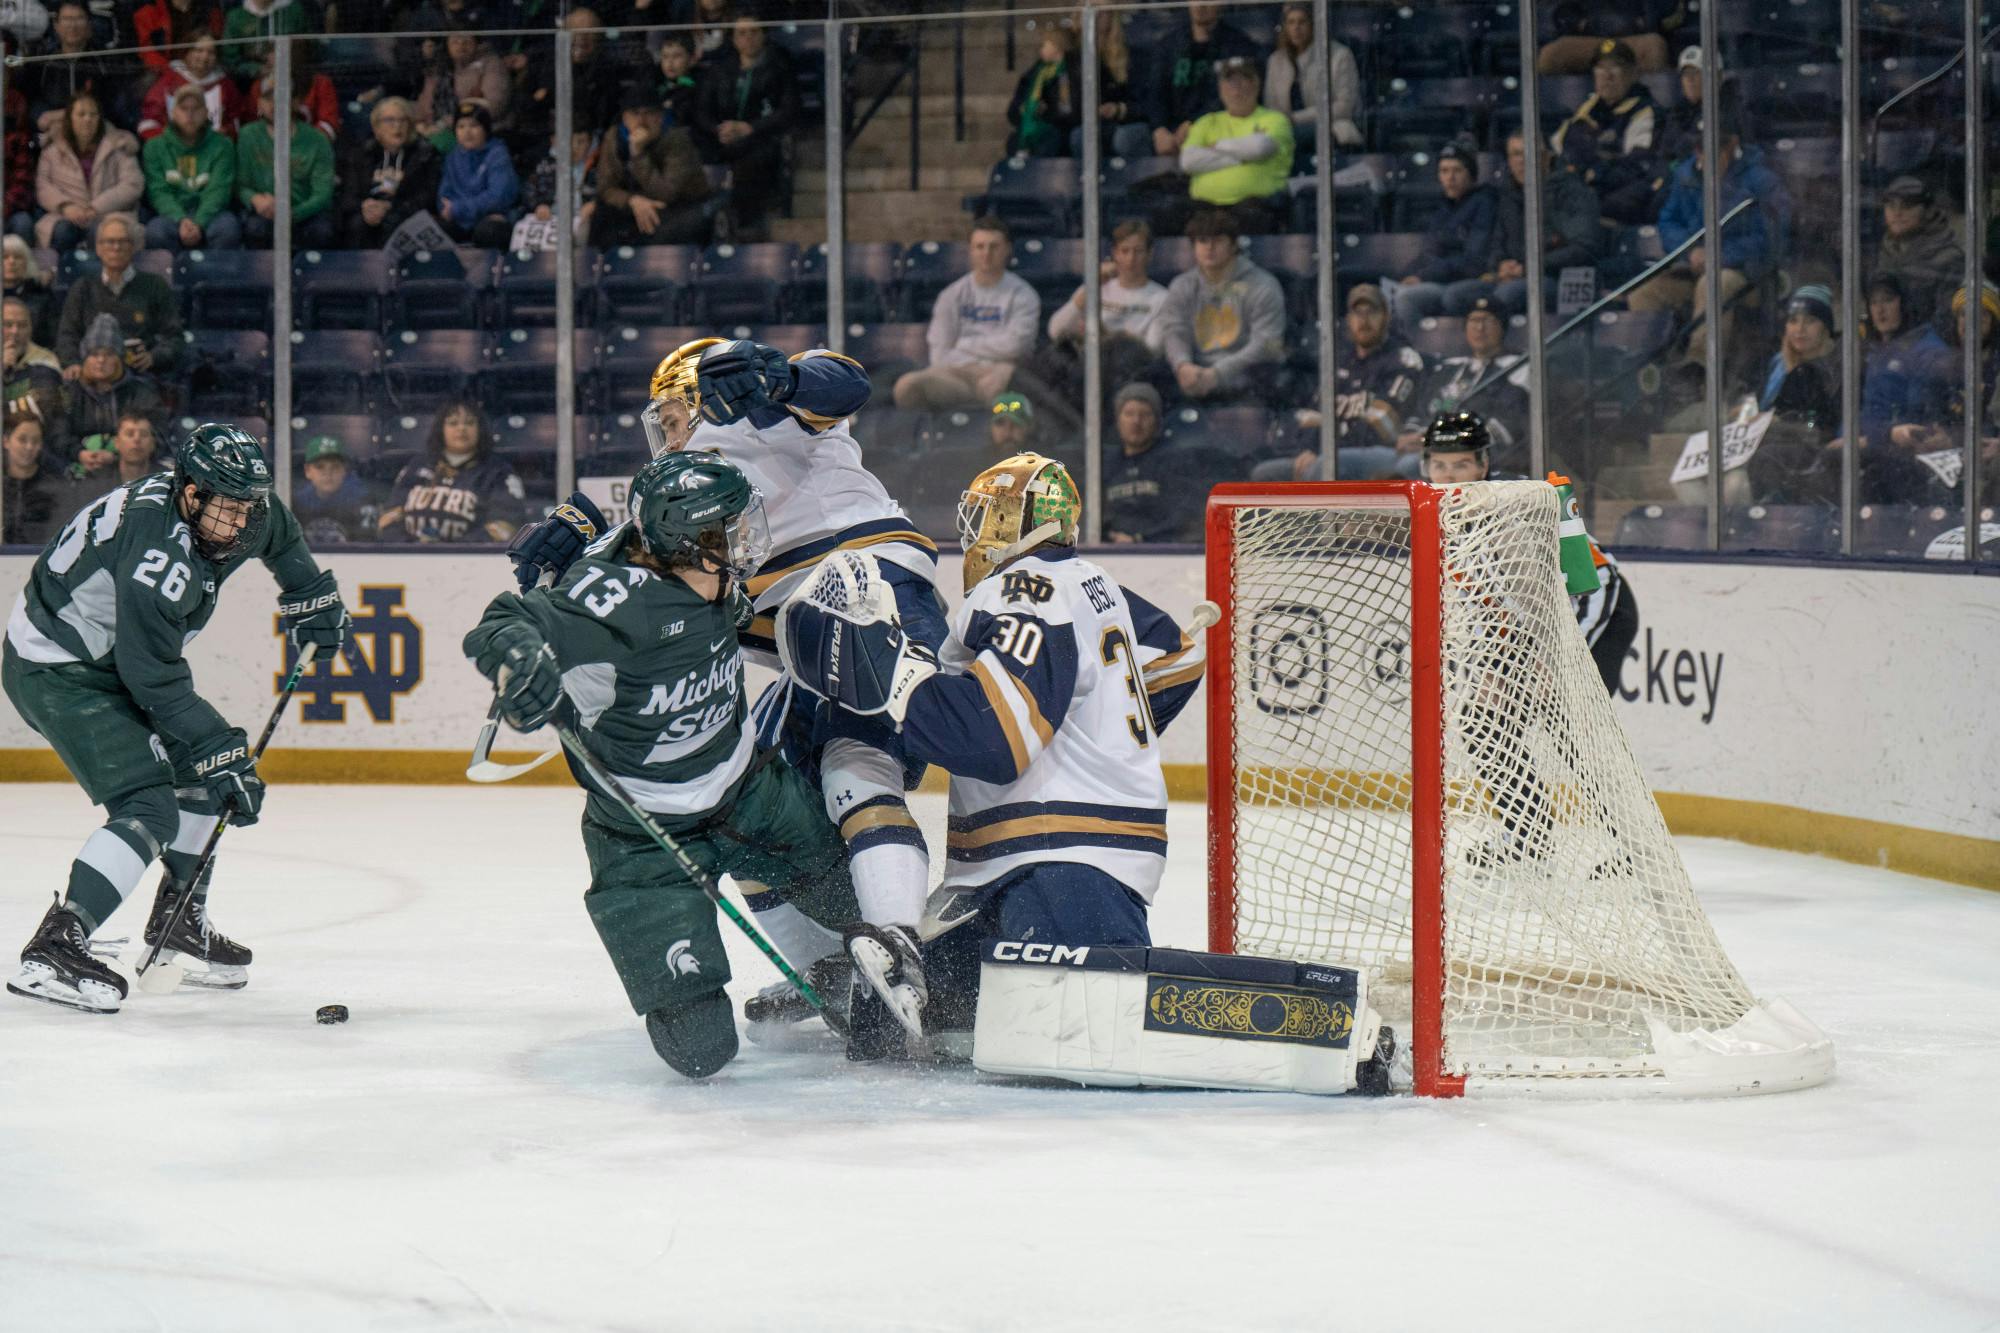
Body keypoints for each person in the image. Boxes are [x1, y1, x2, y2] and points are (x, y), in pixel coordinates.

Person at [508, 336, 954, 1054]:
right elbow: (629, 589)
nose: (669, 434)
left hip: (867, 584)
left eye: (675, 412)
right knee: (743, 791)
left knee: (853, 761)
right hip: (800, 648)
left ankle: (901, 946)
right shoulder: (686, 502)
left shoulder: (765, 407)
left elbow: (845, 386)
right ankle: (832, 968)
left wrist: (782, 376)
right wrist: (562, 563)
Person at [773, 452, 1206, 1051]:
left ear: (1014, 522)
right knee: (887, 1023)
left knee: (1079, 1031)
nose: (974, 536)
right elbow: (1178, 657)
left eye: (986, 518)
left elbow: (993, 742)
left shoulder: (1023, 587)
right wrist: (1095, 736)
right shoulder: (1090, 583)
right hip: (1029, 874)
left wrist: (898, 683)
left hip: (1058, 862)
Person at [463, 451, 862, 1079]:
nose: (747, 537)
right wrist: (522, 655)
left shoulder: (703, 567)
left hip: (749, 790)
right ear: (693, 541)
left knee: (862, 909)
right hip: (643, 837)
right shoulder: (612, 603)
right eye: (731, 529)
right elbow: (500, 624)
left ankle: (841, 971)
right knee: (700, 1052)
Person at [4, 422, 349, 1012]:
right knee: (151, 806)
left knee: (204, 778)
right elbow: (152, 678)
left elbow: (282, 538)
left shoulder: (236, 507)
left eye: (247, 509)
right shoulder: (157, 553)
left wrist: (311, 596)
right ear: (190, 493)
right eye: (227, 511)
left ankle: (180, 925)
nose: (239, 525)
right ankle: (58, 944)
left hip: (110, 658)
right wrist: (219, 745)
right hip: (57, 667)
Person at [1417, 410, 1636, 697]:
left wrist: (1556, 660)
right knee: (1486, 720)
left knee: (1567, 714)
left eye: (1461, 465)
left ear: (1483, 465)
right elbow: (1479, 604)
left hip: (1594, 599)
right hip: (1527, 622)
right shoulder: (1442, 518)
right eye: (1439, 465)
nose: (1447, 476)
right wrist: (1489, 668)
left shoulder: (1514, 504)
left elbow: (1594, 579)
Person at [1625, 111, 1788, 365]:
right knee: (1643, 295)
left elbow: (1770, 237)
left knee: (1712, 284)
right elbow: (1668, 221)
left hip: (1748, 276)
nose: (1704, 155)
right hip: (1694, 267)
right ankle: (1648, 371)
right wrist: (1690, 252)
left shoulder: (1761, 181)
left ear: (1732, 145)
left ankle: (1700, 367)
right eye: (1700, 147)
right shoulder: (1686, 176)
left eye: (1715, 147)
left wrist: (1719, 256)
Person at [1265, 282, 1426, 481]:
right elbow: (1307, 416)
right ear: (1348, 319)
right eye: (1357, 313)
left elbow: (1382, 426)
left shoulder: (1402, 359)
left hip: (1383, 451)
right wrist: (1311, 445)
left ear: (1385, 317)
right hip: (1333, 449)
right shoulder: (1339, 360)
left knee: (1322, 468)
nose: (1364, 320)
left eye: (1372, 312)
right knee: (1266, 473)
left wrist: (1322, 442)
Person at [892, 216, 1041, 412]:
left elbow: (1016, 346)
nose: (986, 253)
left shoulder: (1023, 294)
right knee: (906, 386)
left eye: (994, 247)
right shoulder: (951, 295)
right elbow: (939, 352)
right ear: (970, 250)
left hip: (999, 373)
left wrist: (965, 346)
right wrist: (977, 356)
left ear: (1008, 249)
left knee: (1003, 383)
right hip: (954, 375)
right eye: (980, 247)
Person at [1451, 133, 1603, 316]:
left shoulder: (1570, 191)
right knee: (1455, 296)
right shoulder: (1508, 194)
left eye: (1529, 153)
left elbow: (1583, 248)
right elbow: (1498, 242)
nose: (1522, 160)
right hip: (1516, 276)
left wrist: (1528, 268)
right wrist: (1500, 265)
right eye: (1515, 154)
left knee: (1506, 295)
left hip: (1559, 277)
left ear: (1546, 157)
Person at [1157, 207, 1286, 405]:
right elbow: (1174, 330)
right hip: (1193, 376)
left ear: (1234, 245)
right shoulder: (1182, 285)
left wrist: (1217, 374)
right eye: (1202, 241)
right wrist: (1183, 365)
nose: (1209, 247)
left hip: (1246, 378)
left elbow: (1267, 344)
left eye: (1218, 240)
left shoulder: (1263, 285)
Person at [694, 16, 800, 238]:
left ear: (763, 35)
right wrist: (718, 129)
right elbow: (702, 110)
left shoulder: (779, 66)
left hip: (761, 138)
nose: (748, 38)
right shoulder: (720, 70)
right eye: (742, 33)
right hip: (722, 137)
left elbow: (788, 110)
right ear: (733, 39)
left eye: (754, 32)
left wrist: (750, 128)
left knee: (750, 163)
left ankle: (746, 226)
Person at [1398, 297, 1531, 471]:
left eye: (1488, 321)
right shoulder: (1448, 368)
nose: (1479, 328)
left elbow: (1507, 426)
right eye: (1474, 320)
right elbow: (1422, 408)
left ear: (1502, 327)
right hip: (1427, 448)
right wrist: (1410, 435)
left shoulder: (1517, 368)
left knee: (1408, 466)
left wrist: (1442, 441)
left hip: (1474, 455)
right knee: (1372, 460)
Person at [1167, 57, 1293, 237]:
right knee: (1172, 212)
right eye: (1230, 81)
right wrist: (1243, 156)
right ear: (1220, 88)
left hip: (1254, 207)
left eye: (1244, 79)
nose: (1237, 87)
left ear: (1256, 84)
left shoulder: (1275, 120)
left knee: (1254, 215)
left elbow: (1260, 148)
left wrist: (1216, 146)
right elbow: (1188, 161)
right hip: (1204, 208)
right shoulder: (1206, 122)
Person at [378, 397, 524, 543]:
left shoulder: (498, 472)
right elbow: (389, 517)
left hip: (471, 561)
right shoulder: (417, 466)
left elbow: (504, 528)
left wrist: (452, 549)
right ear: (441, 429)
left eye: (469, 423)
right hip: (406, 558)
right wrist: (411, 547)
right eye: (453, 423)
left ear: (480, 429)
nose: (461, 428)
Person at [1549, 39, 1660, 227]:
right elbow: (1557, 146)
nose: (1607, 76)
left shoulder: (1644, 111)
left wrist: (1594, 172)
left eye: (1615, 68)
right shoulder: (1588, 109)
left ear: (1633, 74)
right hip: (1579, 196)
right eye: (1600, 68)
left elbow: (1635, 167)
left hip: (1613, 204)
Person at [589, 82, 713, 248]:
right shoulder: (614, 138)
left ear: (659, 117)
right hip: (636, 206)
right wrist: (632, 200)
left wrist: (638, 154)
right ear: (625, 118)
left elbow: (668, 193)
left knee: (668, 224)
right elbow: (605, 188)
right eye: (635, 114)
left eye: (648, 114)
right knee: (601, 215)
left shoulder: (677, 139)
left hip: (679, 208)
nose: (641, 121)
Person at [56, 217, 181, 377]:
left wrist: (153, 357)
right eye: (109, 241)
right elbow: (67, 335)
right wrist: (72, 363)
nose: (116, 247)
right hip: (92, 379)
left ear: (133, 247)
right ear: (98, 248)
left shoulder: (155, 285)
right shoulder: (82, 287)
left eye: (123, 241)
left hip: (140, 377)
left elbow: (174, 336)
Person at [1390, 142, 1499, 326]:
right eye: (1444, 171)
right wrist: (1406, 275)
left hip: (1464, 281)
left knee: (1407, 298)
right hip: (1440, 279)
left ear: (1471, 174)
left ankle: (1419, 348)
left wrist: (1423, 277)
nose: (1450, 178)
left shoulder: (1485, 202)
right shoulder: (1444, 207)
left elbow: (1473, 259)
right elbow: (1429, 251)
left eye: (1457, 170)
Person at [233, 77, 337, 250]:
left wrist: (293, 213)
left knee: (322, 231)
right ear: (259, 103)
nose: (275, 104)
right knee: (254, 228)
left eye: (282, 97)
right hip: (263, 212)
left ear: (295, 103)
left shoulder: (316, 140)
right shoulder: (247, 135)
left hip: (305, 213)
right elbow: (240, 183)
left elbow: (323, 192)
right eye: (268, 98)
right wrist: (255, 199)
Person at [1145, 2, 1260, 158]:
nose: (1200, 5)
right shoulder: (1169, 44)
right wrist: (1159, 129)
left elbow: (1234, 95)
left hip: (1216, 124)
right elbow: (1155, 92)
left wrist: (1194, 124)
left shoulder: (1238, 44)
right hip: (1170, 129)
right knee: (1130, 138)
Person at [33, 91, 142, 252]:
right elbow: (42, 185)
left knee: (102, 231)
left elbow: (133, 184)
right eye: (81, 114)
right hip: (64, 215)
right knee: (62, 232)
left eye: (93, 114)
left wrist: (96, 207)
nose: (88, 120)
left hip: (109, 213)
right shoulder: (52, 150)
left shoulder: (118, 144)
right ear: (70, 118)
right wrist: (66, 206)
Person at [140, 83, 241, 253]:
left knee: (227, 229)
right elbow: (158, 192)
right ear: (173, 113)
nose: (189, 114)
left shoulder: (223, 145)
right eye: (183, 108)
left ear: (206, 112)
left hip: (211, 213)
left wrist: (199, 221)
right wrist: (181, 220)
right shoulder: (154, 147)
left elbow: (219, 190)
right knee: (155, 231)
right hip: (172, 214)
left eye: (196, 108)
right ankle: (169, 279)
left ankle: (216, 279)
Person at [1102, 381, 1206, 543]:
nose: (1136, 421)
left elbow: (1183, 518)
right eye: (1129, 414)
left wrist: (1140, 540)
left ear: (1157, 421)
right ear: (1118, 420)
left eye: (1145, 414)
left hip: (1159, 553)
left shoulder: (1175, 462)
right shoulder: (1104, 464)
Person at [60, 315, 165, 470]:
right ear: (84, 358)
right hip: (76, 470)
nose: (101, 360)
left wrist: (119, 456)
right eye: (94, 354)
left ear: (119, 358)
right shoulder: (69, 392)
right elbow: (57, 435)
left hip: (129, 471)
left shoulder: (142, 392)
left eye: (109, 354)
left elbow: (157, 438)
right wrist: (79, 453)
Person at [338, 97, 443, 249]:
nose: (397, 126)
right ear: (376, 127)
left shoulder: (425, 154)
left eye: (403, 120)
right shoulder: (360, 154)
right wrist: (365, 205)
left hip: (405, 213)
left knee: (392, 221)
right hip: (368, 213)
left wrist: (389, 206)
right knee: (357, 224)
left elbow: (427, 196)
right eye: (390, 120)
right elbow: (348, 196)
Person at [1264, 2, 1363, 153]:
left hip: (1333, 132)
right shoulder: (1276, 60)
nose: (1296, 28)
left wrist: (1296, 119)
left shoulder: (1340, 55)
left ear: (1314, 24)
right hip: (1287, 134)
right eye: (1291, 22)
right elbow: (1270, 106)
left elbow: (1345, 106)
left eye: (1302, 22)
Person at [1873, 176, 1967, 327]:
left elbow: (1949, 321)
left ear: (1928, 211)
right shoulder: (1882, 254)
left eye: (1907, 206)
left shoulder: (1949, 257)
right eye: (1891, 206)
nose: (1897, 213)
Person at [437, 100, 518, 249]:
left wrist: (458, 209)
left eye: (474, 125)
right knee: (434, 229)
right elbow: (444, 196)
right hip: (460, 220)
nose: (467, 132)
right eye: (461, 126)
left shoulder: (498, 155)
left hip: (488, 218)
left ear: (485, 129)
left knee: (490, 231)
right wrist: (449, 209)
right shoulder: (453, 157)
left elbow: (498, 197)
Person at [136, 33, 242, 141]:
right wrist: (168, 139)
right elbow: (150, 120)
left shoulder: (225, 85)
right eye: (199, 51)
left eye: (211, 52)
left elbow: (235, 122)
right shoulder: (169, 81)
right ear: (187, 53)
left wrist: (224, 132)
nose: (204, 57)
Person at [415, 29, 511, 139]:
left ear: (476, 42)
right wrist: (419, 123)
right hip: (436, 129)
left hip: (480, 131)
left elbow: (494, 105)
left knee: (434, 145)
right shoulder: (439, 68)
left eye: (467, 41)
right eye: (455, 42)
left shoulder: (491, 64)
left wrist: (445, 124)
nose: (461, 46)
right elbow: (425, 102)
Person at [1004, 24, 1079, 159]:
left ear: (1057, 47)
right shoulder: (1035, 74)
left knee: (1051, 138)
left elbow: (1067, 109)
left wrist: (1046, 111)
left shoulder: (1068, 72)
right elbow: (1013, 110)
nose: (1041, 49)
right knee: (1015, 141)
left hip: (1058, 128)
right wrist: (1024, 109)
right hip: (1034, 126)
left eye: (1045, 45)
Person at [2, 412, 75, 546]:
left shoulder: (55, 488)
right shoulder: (2, 486)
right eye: (22, 440)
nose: (29, 447)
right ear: (6, 441)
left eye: (35, 441)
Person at [292, 434, 380, 544]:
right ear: (307, 471)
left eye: (335, 466)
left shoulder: (363, 502)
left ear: (344, 470)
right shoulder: (294, 504)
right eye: (320, 467)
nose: (328, 473)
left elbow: (366, 547)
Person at [74, 408, 163, 496]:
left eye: (143, 434)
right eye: (129, 434)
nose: (137, 439)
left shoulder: (167, 482)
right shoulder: (95, 482)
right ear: (117, 442)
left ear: (152, 444)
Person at [220, 0, 314, 82]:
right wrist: (257, 69)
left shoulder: (294, 10)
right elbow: (230, 60)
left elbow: (310, 47)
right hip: (248, 84)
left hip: (293, 77)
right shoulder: (235, 17)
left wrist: (288, 54)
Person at [134, 0, 223, 73]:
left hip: (203, 65)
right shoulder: (149, 9)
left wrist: (202, 62)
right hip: (164, 70)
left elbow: (216, 42)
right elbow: (147, 50)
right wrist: (169, 70)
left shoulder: (211, 8)